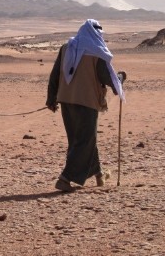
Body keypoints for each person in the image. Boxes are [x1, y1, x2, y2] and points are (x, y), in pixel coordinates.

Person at [46, 19, 125, 192]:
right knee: (84, 139)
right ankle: (65, 178)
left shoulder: (67, 47)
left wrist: (51, 98)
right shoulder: (96, 51)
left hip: (66, 100)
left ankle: (99, 174)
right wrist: (119, 80)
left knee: (81, 138)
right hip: (87, 102)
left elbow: (55, 74)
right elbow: (106, 77)